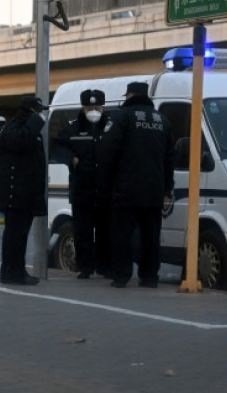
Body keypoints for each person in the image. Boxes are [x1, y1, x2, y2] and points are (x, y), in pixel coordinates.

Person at [100, 81, 175, 289]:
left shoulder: (122, 117)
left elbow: (108, 150)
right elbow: (170, 158)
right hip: (154, 190)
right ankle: (150, 276)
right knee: (151, 235)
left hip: (127, 188)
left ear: (130, 95)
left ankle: (121, 275)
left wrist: (106, 183)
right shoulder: (162, 120)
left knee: (122, 233)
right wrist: (167, 187)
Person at [54, 89, 112, 279]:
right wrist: (71, 159)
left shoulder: (111, 126)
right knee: (82, 231)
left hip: (104, 189)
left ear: (103, 108)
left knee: (105, 231)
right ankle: (85, 267)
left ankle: (104, 266)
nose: (94, 111)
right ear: (83, 108)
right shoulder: (73, 128)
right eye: (89, 108)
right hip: (81, 189)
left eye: (97, 108)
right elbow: (57, 145)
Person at [0, 94, 49, 285]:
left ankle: (15, 271)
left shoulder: (24, 127)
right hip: (16, 193)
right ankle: (12, 272)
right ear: (30, 111)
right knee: (15, 235)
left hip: (25, 192)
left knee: (19, 234)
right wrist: (35, 122)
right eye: (37, 111)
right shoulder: (15, 128)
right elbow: (21, 142)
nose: (40, 115)